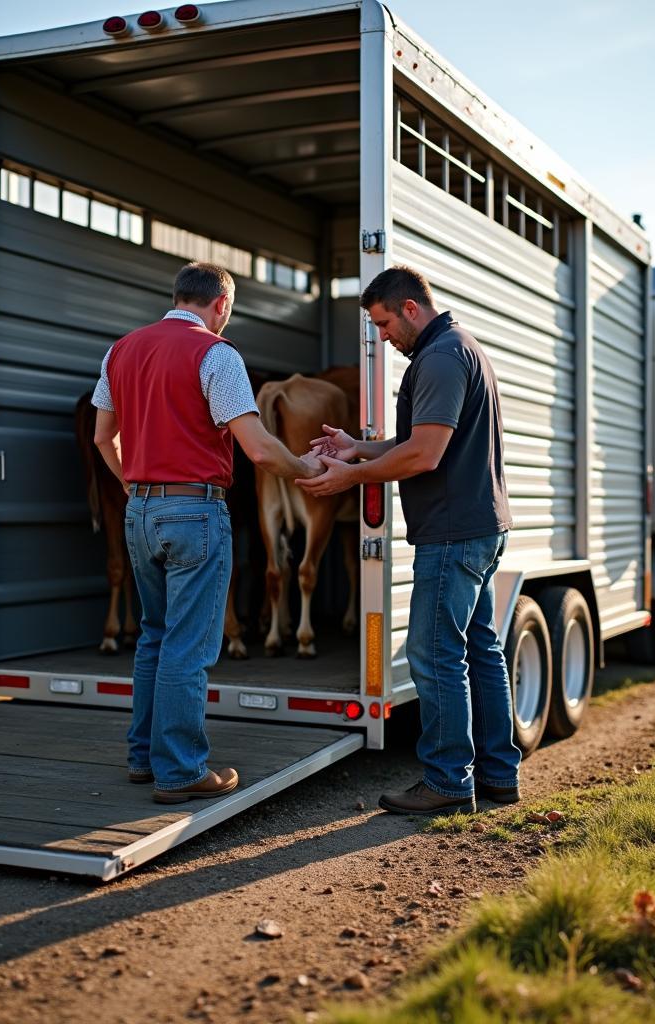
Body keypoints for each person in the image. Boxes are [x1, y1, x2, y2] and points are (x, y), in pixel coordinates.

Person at [92, 262, 325, 804]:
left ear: (177, 297)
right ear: (221, 304)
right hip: (195, 511)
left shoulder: (120, 351)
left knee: (153, 636)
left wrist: (136, 486)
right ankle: (180, 771)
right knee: (188, 646)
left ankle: (144, 758)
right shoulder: (216, 355)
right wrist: (310, 471)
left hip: (141, 512)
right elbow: (260, 448)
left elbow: (104, 436)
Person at [297, 265, 520, 816]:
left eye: (384, 323)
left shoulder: (441, 358)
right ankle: (497, 777)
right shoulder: (456, 348)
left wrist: (351, 476)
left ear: (411, 309)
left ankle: (447, 782)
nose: (383, 337)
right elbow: (419, 438)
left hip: (452, 533)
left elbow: (425, 455)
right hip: (477, 526)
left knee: (434, 652)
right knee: (479, 650)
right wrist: (356, 446)